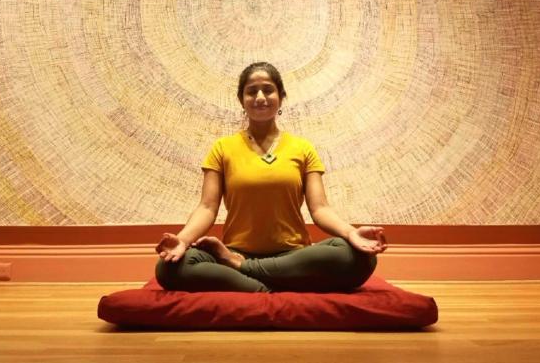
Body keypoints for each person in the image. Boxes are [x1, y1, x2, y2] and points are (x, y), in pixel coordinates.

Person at [155, 62, 387, 292]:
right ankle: (268, 278)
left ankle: (243, 273)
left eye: (268, 89)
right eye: (251, 91)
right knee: (168, 269)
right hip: (238, 249)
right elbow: (206, 207)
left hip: (294, 255)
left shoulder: (303, 148)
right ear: (241, 100)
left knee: (361, 257)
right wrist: (182, 241)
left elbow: (320, 208)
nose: (260, 97)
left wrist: (351, 232)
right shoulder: (222, 148)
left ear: (281, 96)